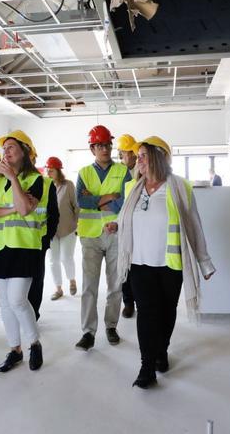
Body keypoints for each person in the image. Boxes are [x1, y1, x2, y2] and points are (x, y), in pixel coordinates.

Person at [116, 136, 217, 389]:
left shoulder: (180, 187)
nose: (137, 160)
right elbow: (124, 219)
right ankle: (146, 366)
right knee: (146, 314)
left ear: (158, 157)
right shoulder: (132, 188)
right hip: (139, 263)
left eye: (142, 155)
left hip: (170, 264)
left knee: (166, 313)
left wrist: (204, 262)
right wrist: (114, 225)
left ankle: (161, 350)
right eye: (137, 156)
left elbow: (194, 226)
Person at [0, 131, 45, 372]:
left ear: (24, 152)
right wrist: (10, 210)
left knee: (17, 299)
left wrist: (13, 180)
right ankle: (14, 350)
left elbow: (26, 208)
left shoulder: (36, 179)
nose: (5, 151)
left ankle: (34, 343)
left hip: (23, 246)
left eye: (11, 147)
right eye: (4, 147)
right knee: (5, 304)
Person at [74, 125, 131, 351]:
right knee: (89, 286)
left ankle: (111, 326)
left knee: (115, 285)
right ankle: (88, 332)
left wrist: (97, 199)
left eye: (107, 145)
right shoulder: (84, 173)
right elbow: (81, 201)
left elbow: (125, 201)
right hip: (90, 236)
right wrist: (109, 197)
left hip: (115, 233)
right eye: (100, 145)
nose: (105, 149)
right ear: (92, 148)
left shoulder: (122, 171)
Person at [27, 146, 58, 321]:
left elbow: (54, 214)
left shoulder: (46, 183)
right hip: (15, 240)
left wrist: (48, 238)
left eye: (31, 158)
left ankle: (33, 314)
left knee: (36, 280)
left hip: (39, 239)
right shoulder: (7, 180)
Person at [44, 156, 78, 301]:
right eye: (48, 170)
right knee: (53, 260)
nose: (49, 173)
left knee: (66, 257)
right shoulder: (45, 185)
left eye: (52, 171)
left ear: (58, 171)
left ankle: (72, 280)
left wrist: (77, 225)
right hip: (51, 230)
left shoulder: (68, 185)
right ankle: (58, 288)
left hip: (68, 228)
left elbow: (76, 206)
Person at [115, 134, 138, 319]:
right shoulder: (119, 171)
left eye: (123, 152)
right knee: (125, 267)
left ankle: (138, 300)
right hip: (122, 224)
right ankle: (128, 303)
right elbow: (114, 196)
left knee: (138, 266)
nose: (121, 156)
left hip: (139, 224)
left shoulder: (142, 169)